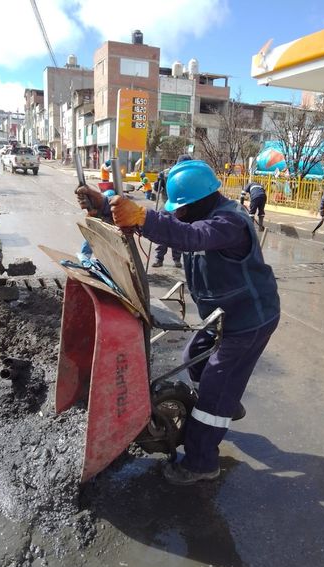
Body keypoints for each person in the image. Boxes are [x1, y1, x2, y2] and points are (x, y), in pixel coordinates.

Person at [110, 160, 280, 485]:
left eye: (181, 209)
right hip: (222, 315)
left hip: (250, 319)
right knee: (193, 357)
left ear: (201, 200)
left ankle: (202, 463)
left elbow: (191, 237)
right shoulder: (200, 213)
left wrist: (144, 219)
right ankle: (226, 400)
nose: (177, 214)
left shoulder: (230, 222)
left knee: (215, 388)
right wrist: (109, 206)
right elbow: (174, 227)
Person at [151, 154, 193, 268]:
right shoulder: (190, 173)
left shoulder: (165, 173)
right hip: (177, 208)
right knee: (176, 233)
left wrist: (158, 182)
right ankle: (172, 259)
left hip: (170, 207)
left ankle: (160, 259)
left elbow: (156, 188)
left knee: (167, 233)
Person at [79, 188, 115, 258]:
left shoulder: (113, 206)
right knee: (91, 237)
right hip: (100, 224)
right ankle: (86, 256)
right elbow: (90, 219)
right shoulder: (98, 205)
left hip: (109, 228)